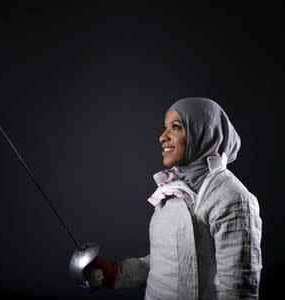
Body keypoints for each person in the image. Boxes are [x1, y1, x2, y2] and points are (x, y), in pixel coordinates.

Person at [84, 98, 263, 299]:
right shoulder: (172, 188)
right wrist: (115, 272)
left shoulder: (231, 198)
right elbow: (169, 260)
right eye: (165, 128)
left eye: (175, 127)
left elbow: (238, 290)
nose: (162, 137)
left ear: (203, 133)